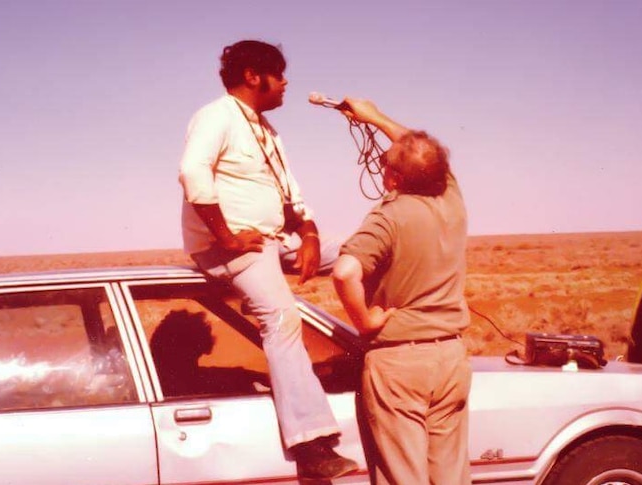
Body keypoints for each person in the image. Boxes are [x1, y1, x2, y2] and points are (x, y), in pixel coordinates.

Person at [177, 39, 357, 480]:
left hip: (274, 240)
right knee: (281, 318)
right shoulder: (214, 117)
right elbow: (192, 172)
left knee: (364, 247)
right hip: (234, 249)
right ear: (254, 76)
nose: (286, 82)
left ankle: (388, 342)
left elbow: (290, 194)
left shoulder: (265, 131)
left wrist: (310, 234)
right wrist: (226, 236)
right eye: (279, 74)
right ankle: (312, 446)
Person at [332, 99, 473, 484]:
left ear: (393, 179)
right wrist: (374, 118)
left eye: (386, 162)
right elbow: (421, 153)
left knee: (403, 476)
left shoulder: (389, 216)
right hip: (450, 356)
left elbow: (345, 272)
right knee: (450, 475)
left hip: (400, 363)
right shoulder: (451, 200)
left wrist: (365, 321)